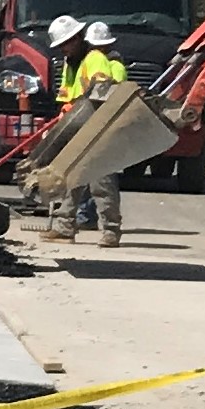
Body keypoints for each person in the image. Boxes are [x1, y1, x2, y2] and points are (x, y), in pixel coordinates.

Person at [47, 20, 134, 247]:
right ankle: (65, 226)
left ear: (77, 39)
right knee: (71, 177)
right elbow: (68, 97)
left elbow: (101, 89)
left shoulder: (94, 58)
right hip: (77, 126)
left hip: (98, 127)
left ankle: (111, 230)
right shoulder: (70, 62)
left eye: (66, 44)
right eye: (60, 45)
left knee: (101, 180)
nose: (63, 49)